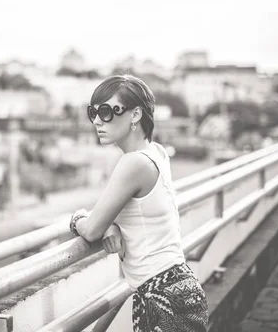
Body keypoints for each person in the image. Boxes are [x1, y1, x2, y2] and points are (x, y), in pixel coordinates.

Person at [69, 75, 208, 332]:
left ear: (135, 115)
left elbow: (91, 230)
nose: (98, 120)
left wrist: (77, 218)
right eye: (94, 112)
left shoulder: (133, 163)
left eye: (108, 111)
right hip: (177, 290)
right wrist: (113, 226)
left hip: (163, 300)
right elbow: (131, 213)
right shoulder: (157, 153)